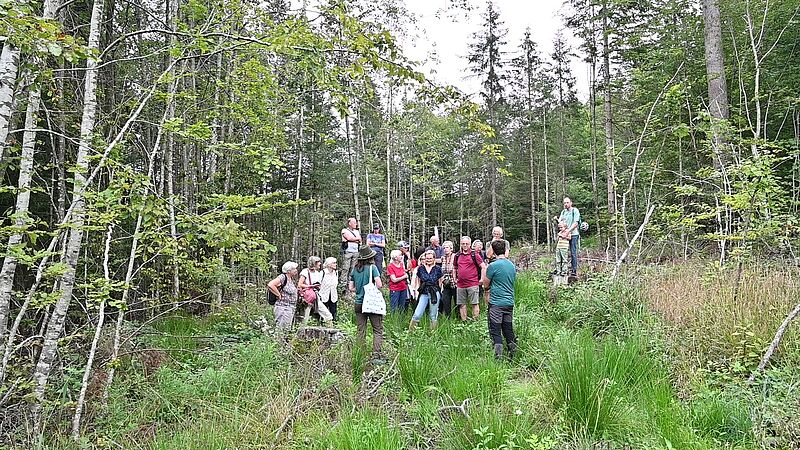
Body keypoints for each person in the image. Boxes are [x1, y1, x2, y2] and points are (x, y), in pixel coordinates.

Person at [483, 240, 518, 360]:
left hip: (496, 304)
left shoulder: (493, 266)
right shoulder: (511, 265)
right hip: (509, 302)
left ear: (493, 250)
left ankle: (498, 358)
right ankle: (514, 354)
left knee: (496, 330)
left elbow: (486, 285)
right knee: (508, 329)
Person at [349, 246, 384, 359]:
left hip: (359, 303)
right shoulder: (372, 268)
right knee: (377, 330)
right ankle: (376, 354)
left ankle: (361, 354)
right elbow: (379, 284)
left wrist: (360, 288)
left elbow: (351, 287)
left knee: (360, 330)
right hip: (371, 303)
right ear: (370, 257)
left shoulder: (355, 269)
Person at [409, 250, 443, 330]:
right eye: (427, 258)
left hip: (434, 292)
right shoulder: (420, 269)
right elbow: (418, 281)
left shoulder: (438, 269)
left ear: (434, 259)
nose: (428, 260)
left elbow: (441, 282)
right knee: (417, 314)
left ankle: (433, 334)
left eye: (430, 258)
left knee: (433, 315)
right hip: (424, 293)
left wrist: (440, 292)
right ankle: (411, 332)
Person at [298, 256, 333, 327]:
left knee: (327, 314)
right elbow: (300, 284)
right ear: (313, 263)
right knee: (305, 318)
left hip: (316, 296)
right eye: (318, 262)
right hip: (308, 297)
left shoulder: (317, 273)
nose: (320, 264)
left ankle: (330, 331)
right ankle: (301, 333)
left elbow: (319, 285)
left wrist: (317, 286)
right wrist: (310, 286)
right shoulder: (305, 271)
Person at [455, 236, 484, 321]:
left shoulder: (475, 255)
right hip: (460, 284)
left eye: (466, 244)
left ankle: (475, 322)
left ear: (470, 244)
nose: (465, 245)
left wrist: (482, 279)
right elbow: (454, 267)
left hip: (473, 283)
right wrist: (454, 278)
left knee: (474, 303)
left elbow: (483, 267)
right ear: (460, 244)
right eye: (463, 244)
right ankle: (464, 322)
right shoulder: (457, 255)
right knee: (462, 304)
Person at [268, 261, 299, 330]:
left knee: (286, 329)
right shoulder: (282, 277)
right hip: (283, 308)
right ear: (288, 271)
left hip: (289, 308)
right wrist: (278, 295)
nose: (296, 270)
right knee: (281, 330)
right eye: (294, 269)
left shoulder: (290, 279)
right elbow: (271, 285)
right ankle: (278, 341)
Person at [555, 197, 581, 276]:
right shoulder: (563, 212)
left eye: (567, 202)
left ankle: (574, 270)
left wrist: (568, 231)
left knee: (573, 252)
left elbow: (576, 223)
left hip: (573, 234)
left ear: (571, 203)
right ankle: (560, 269)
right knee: (561, 251)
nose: (565, 204)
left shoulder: (575, 211)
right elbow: (560, 222)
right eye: (564, 203)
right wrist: (557, 220)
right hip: (564, 235)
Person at [340, 217, 362, 290]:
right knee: (345, 268)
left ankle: (350, 284)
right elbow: (348, 238)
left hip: (356, 252)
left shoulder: (356, 231)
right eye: (354, 222)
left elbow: (360, 240)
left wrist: (353, 240)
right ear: (350, 223)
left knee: (353, 268)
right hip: (347, 251)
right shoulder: (344, 230)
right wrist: (355, 239)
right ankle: (343, 285)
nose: (356, 224)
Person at [318, 257, 339, 322]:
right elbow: (318, 284)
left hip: (333, 296)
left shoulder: (336, 273)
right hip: (323, 296)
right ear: (329, 264)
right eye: (334, 263)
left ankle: (333, 327)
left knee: (333, 313)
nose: (335, 264)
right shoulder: (323, 272)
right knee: (323, 314)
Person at [440, 241, 456, 318]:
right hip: (446, 283)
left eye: (447, 247)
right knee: (445, 301)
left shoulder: (455, 256)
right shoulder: (443, 258)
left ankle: (459, 319)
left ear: (451, 248)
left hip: (455, 283)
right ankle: (447, 320)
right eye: (444, 248)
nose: (445, 249)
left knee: (457, 303)